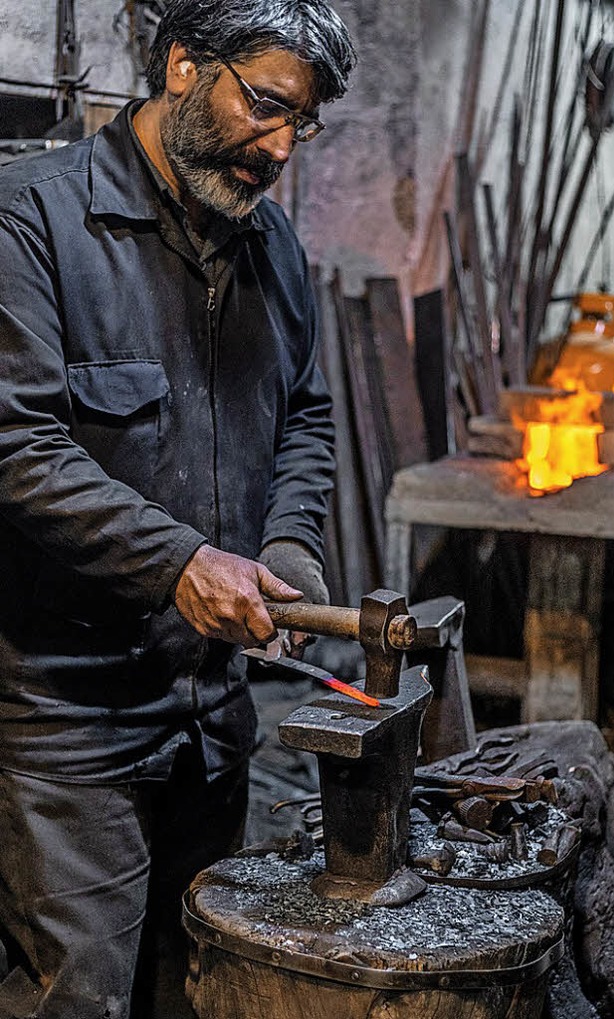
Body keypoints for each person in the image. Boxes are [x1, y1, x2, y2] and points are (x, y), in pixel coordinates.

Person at [0, 1, 356, 1016]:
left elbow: (307, 418)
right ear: (184, 64)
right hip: (67, 713)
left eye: (304, 124)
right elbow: (15, 442)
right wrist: (179, 561)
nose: (282, 146)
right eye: (268, 106)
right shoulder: (31, 219)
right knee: (79, 996)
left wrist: (287, 539)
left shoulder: (270, 247)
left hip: (211, 707)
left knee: (191, 984)